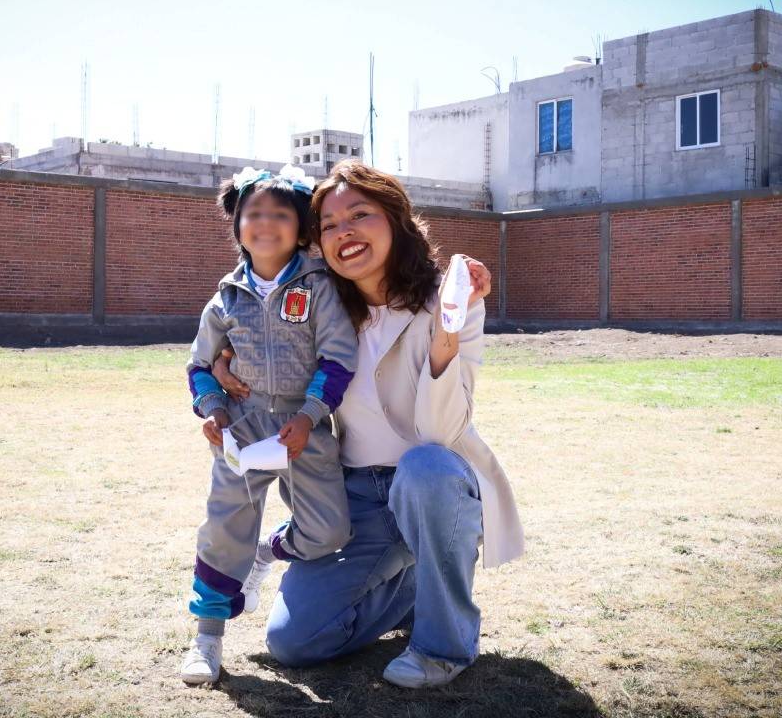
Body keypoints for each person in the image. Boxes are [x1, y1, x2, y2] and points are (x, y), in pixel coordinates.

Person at [212, 160, 525, 689]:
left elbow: (440, 430)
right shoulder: (321, 309)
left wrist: (446, 337)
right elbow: (257, 332)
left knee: (425, 466)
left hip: (432, 487)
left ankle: (442, 647)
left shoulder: (450, 299)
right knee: (294, 642)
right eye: (330, 225)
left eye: (360, 214)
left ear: (397, 220)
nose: (344, 232)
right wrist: (225, 359)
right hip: (353, 495)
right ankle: (412, 589)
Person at [179, 164, 358, 685]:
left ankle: (269, 551)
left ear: (300, 227)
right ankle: (207, 638)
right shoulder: (225, 298)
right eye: (252, 213)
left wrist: (308, 417)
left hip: (304, 428)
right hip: (244, 425)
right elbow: (197, 365)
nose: (264, 222)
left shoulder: (320, 286)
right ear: (236, 225)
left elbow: (338, 358)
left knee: (330, 532)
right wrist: (213, 409)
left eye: (279, 214)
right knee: (223, 528)